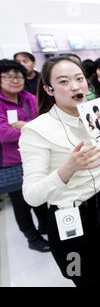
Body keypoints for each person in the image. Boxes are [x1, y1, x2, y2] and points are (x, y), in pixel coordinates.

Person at [19, 56, 100, 287]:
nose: (75, 86)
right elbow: (32, 196)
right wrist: (69, 167)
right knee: (83, 277)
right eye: (63, 81)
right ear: (48, 89)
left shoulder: (91, 119)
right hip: (69, 217)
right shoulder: (36, 130)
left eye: (79, 79)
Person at [0, 59, 49, 252]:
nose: (15, 80)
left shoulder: (29, 97)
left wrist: (24, 125)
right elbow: (3, 134)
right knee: (21, 203)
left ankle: (45, 226)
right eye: (9, 77)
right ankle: (32, 237)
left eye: (18, 76)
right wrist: (32, 126)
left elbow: (44, 122)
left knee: (39, 194)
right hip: (12, 161)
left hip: (35, 156)